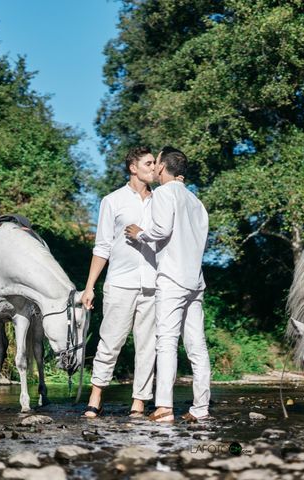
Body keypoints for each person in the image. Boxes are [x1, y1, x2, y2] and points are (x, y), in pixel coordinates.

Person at [125, 146, 211, 423]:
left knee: (167, 342)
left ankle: (163, 406)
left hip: (172, 278)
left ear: (162, 167)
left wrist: (140, 234)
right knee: (197, 346)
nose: (154, 168)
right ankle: (201, 408)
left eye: (156, 163)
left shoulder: (164, 193)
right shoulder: (197, 202)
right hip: (195, 280)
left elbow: (161, 230)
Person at [81, 146, 157, 418]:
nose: (154, 168)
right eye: (148, 163)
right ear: (133, 168)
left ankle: (139, 402)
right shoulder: (112, 201)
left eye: (155, 163)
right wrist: (90, 286)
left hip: (152, 285)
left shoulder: (161, 201)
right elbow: (102, 247)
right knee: (110, 342)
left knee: (148, 345)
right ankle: (96, 396)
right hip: (119, 282)